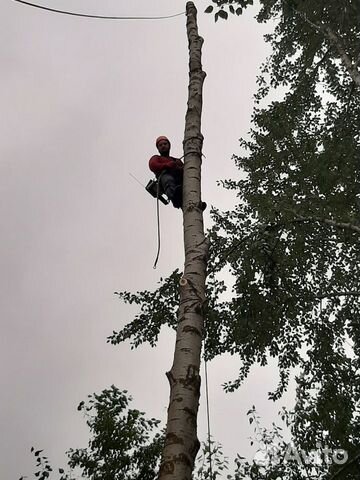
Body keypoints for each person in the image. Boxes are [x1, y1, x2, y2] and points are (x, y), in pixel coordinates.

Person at [149, 136, 206, 210]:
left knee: (189, 184)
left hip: (179, 181)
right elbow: (153, 165)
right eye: (160, 145)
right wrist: (166, 165)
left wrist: (179, 168)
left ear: (169, 145)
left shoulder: (176, 160)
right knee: (168, 179)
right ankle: (174, 197)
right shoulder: (156, 158)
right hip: (166, 178)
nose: (163, 146)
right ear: (158, 148)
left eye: (165, 144)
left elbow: (184, 170)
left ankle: (195, 202)